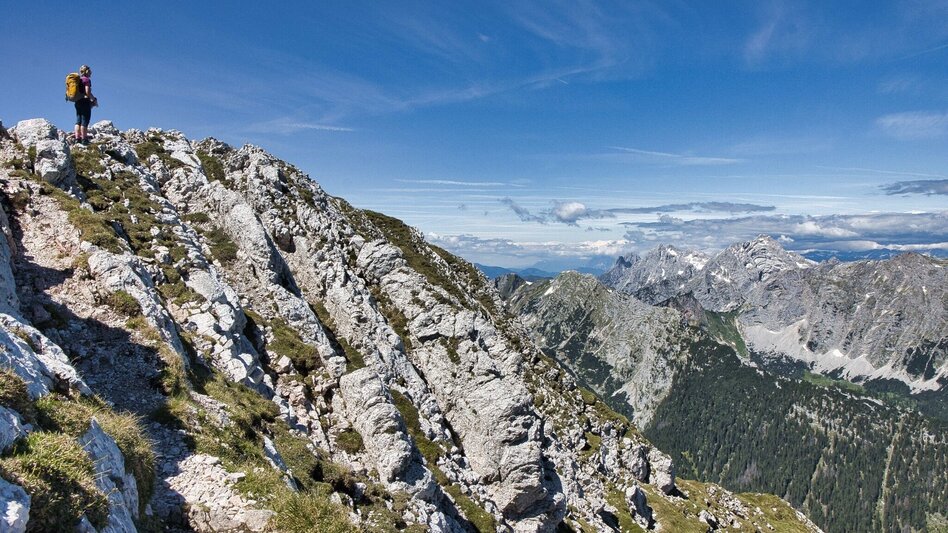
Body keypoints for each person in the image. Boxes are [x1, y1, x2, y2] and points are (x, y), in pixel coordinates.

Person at [73, 65, 97, 144]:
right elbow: (87, 92)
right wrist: (93, 99)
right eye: (90, 71)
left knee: (78, 121)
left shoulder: (78, 80)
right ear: (86, 71)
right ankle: (84, 139)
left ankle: (77, 138)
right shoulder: (86, 80)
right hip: (84, 101)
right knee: (85, 120)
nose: (91, 73)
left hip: (77, 101)